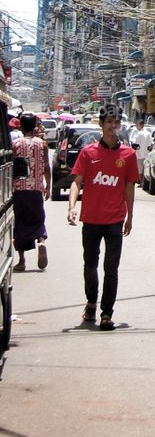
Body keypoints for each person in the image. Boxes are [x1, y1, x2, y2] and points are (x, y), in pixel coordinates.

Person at [67, 103, 138, 330]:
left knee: (111, 268)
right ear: (101, 124)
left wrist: (130, 216)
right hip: (91, 219)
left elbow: (129, 187)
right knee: (90, 265)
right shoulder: (88, 153)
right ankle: (91, 302)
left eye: (116, 122)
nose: (112, 126)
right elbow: (77, 182)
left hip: (115, 220)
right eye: (109, 122)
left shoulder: (128, 155)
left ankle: (107, 313)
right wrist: (71, 207)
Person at [11, 112, 50, 271]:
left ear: (21, 127)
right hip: (36, 190)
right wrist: (48, 186)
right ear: (35, 127)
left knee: (20, 223)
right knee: (38, 219)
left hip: (19, 190)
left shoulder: (15, 144)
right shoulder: (42, 144)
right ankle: (41, 242)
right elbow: (46, 167)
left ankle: (21, 261)